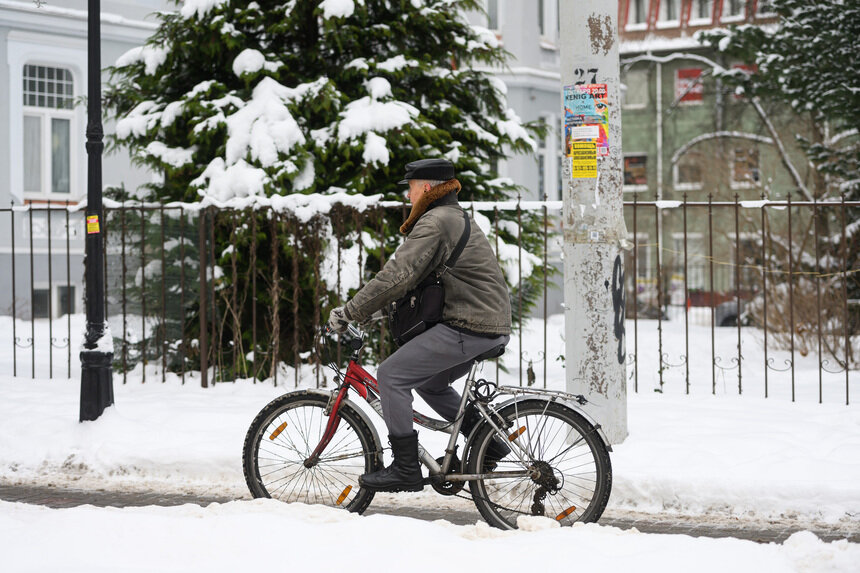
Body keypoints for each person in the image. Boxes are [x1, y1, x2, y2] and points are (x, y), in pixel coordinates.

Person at [327, 158, 512, 493]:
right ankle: (489, 441)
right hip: (484, 321)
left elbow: (396, 275)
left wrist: (350, 312)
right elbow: (416, 284)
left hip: (470, 324)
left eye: (410, 188)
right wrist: (370, 313)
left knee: (392, 375)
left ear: (427, 188)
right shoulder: (452, 217)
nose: (408, 196)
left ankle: (405, 468)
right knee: (431, 383)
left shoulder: (437, 221)